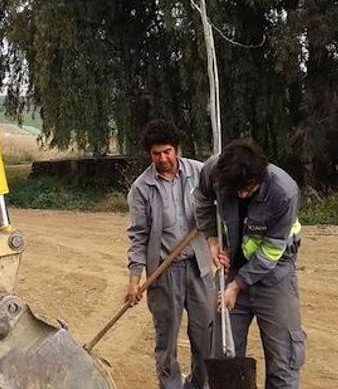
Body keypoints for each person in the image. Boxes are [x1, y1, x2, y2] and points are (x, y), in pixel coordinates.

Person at [193, 140, 306, 389]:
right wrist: (212, 240)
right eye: (236, 191)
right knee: (224, 355)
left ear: (260, 175)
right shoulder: (215, 172)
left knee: (283, 359)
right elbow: (200, 199)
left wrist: (237, 286)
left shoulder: (284, 192)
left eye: (248, 189)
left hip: (275, 275)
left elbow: (270, 252)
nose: (242, 194)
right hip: (231, 268)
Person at [126, 119, 214, 389]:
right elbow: (139, 236)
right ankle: (171, 385)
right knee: (167, 339)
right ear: (149, 155)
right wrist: (134, 278)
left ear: (176, 149)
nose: (163, 159)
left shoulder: (199, 174)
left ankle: (200, 385)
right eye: (156, 154)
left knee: (205, 336)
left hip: (199, 267)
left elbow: (220, 205)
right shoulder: (141, 189)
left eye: (167, 151)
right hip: (164, 273)